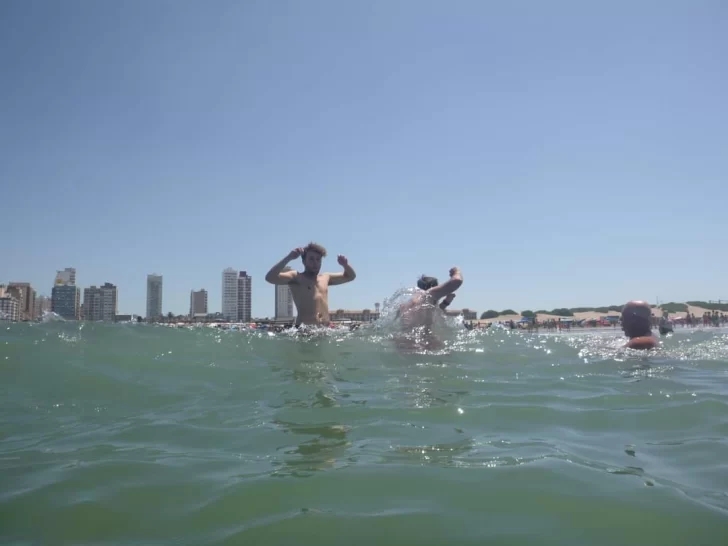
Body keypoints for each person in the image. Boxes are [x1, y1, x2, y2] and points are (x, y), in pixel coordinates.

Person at [264, 242, 356, 326]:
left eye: (318, 259)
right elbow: (270, 278)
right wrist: (289, 257)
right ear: (304, 261)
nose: (315, 263)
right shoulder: (296, 277)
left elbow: (350, 276)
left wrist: (345, 265)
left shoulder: (326, 277)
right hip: (305, 332)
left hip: (325, 330)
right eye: (311, 259)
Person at [396, 267, 463, 336]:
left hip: (401, 343)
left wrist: (446, 302)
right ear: (434, 287)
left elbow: (439, 311)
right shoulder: (429, 294)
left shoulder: (404, 305)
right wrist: (456, 271)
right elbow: (457, 280)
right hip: (422, 344)